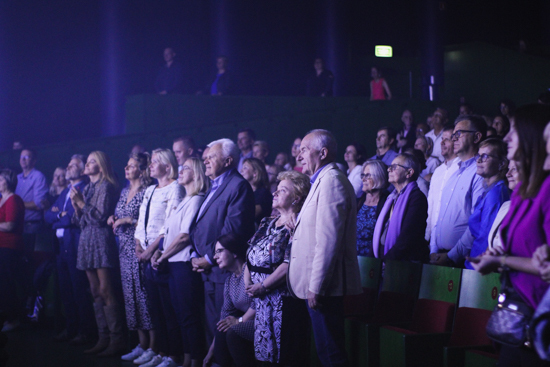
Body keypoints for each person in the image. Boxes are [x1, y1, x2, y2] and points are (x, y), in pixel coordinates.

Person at [469, 104, 550, 366]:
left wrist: (502, 261)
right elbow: (520, 248)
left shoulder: (547, 189)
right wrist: (498, 254)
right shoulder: (522, 189)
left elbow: (546, 265)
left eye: (513, 130)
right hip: (514, 316)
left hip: (539, 318)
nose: (506, 138)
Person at [288, 129, 362, 366]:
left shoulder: (331, 182)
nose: (299, 157)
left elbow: (328, 241)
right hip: (317, 285)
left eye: (304, 150)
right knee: (325, 351)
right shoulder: (321, 180)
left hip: (324, 287)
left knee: (331, 354)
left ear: (323, 152)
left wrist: (316, 286)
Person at [190, 138, 255, 346]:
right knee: (211, 325)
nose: (206, 161)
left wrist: (209, 258)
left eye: (211, 157)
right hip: (208, 268)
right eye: (205, 157)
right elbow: (199, 226)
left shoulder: (238, 186)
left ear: (228, 161)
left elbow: (233, 230)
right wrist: (195, 254)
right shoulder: (214, 185)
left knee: (222, 329)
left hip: (222, 269)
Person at [245, 170, 311, 365]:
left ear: (296, 198)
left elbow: (289, 263)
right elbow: (251, 252)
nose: (275, 193)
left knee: (285, 356)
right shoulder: (267, 222)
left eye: (282, 190)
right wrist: (248, 281)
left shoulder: (299, 225)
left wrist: (263, 286)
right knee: (264, 355)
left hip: (283, 301)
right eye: (277, 188)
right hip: (261, 301)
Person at [150, 157, 209, 367]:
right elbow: (170, 233)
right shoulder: (185, 199)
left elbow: (184, 237)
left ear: (197, 173)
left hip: (183, 265)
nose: (180, 171)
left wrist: (163, 255)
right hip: (173, 264)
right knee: (179, 315)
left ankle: (196, 360)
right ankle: (186, 358)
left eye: (186, 168)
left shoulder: (196, 199)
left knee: (188, 316)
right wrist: (160, 253)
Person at [133, 148, 185, 367]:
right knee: (154, 308)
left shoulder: (176, 187)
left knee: (167, 308)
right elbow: (141, 221)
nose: (151, 165)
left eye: (155, 162)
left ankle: (174, 354)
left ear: (167, 165)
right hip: (146, 254)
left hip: (160, 255)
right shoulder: (151, 190)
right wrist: (138, 245)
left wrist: (152, 249)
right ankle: (160, 351)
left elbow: (169, 224)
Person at [70, 151, 122, 356]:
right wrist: (76, 206)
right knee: (94, 290)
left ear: (100, 167)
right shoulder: (89, 187)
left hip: (100, 240)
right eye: (87, 161)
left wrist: (81, 204)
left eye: (92, 162)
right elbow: (80, 222)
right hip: (86, 240)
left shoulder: (106, 186)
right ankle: (103, 337)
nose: (87, 164)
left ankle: (117, 339)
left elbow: (100, 217)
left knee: (106, 289)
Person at [106, 153, 152, 362]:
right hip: (122, 249)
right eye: (126, 165)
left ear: (141, 171)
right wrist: (113, 218)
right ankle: (140, 344)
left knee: (143, 296)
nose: (126, 168)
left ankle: (154, 346)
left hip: (139, 248)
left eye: (132, 166)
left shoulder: (146, 191)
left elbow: (147, 220)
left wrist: (127, 219)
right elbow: (119, 215)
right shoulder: (125, 191)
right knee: (130, 297)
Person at [44, 155, 94, 344]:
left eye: (72, 165)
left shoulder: (85, 189)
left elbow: (72, 219)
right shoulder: (65, 191)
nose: (68, 167)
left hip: (74, 246)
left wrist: (61, 216)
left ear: (82, 171)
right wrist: (59, 216)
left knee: (78, 290)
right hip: (60, 248)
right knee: (65, 291)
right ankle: (71, 328)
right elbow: (48, 215)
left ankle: (85, 331)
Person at [430, 115, 487, 267]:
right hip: (439, 255)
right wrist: (433, 249)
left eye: (458, 134)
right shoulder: (453, 175)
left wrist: (451, 256)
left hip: (462, 260)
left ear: (476, 137)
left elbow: (477, 222)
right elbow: (438, 217)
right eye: (453, 135)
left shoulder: (480, 172)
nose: (453, 139)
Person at [204, 234, 255, 367]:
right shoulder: (230, 281)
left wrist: (238, 321)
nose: (215, 257)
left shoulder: (250, 271)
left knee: (233, 331)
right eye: (215, 253)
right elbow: (224, 318)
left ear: (234, 252)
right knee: (222, 329)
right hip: (245, 322)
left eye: (219, 251)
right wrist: (210, 353)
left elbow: (258, 304)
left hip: (262, 321)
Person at [372, 153, 429, 262]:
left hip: (402, 265)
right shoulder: (391, 198)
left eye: (394, 167)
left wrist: (386, 261)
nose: (389, 170)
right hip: (384, 260)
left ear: (409, 172)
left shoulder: (417, 198)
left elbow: (408, 236)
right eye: (389, 167)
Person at [464, 138, 510, 269]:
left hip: (481, 268)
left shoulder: (496, 194)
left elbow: (486, 238)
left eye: (485, 156)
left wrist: (473, 264)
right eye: (478, 155)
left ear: (501, 164)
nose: (478, 160)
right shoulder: (489, 191)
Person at [0, 169, 25, 332]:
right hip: (2, 246)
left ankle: (14, 318)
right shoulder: (2, 199)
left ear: (7, 182)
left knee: (8, 282)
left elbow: (10, 225)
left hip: (10, 247)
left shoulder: (14, 200)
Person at [425, 126, 460, 242]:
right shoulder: (438, 171)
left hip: (453, 240)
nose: (442, 142)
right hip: (433, 240)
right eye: (442, 139)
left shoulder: (461, 168)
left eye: (447, 139)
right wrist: (427, 236)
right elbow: (431, 205)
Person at [15, 148, 49, 248]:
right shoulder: (17, 178)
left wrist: (16, 203)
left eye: (26, 157)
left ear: (34, 161)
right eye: (21, 157)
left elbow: (39, 204)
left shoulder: (38, 177)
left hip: (32, 226)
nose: (23, 159)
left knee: (29, 256)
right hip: (18, 225)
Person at [356, 160, 389, 257]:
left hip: (373, 260)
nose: (363, 179)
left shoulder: (387, 204)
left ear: (379, 177)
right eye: (363, 175)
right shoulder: (357, 202)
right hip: (352, 258)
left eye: (368, 175)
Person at [487, 160, 519, 251]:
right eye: (509, 169)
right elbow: (492, 245)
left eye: (514, 169)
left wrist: (503, 260)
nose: (508, 174)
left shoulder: (536, 209)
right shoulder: (505, 206)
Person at [240, 158, 272, 226]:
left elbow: (249, 215)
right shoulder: (243, 192)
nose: (241, 170)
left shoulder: (263, 194)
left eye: (245, 168)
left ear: (255, 173)